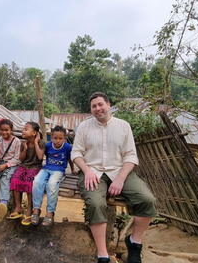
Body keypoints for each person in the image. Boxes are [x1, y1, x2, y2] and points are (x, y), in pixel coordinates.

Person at [71, 92, 157, 263]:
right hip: (93, 172)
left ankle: (134, 243)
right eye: (94, 106)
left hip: (120, 171)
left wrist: (120, 178)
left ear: (108, 105)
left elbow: (131, 156)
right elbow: (76, 153)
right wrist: (87, 171)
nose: (97, 108)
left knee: (147, 200)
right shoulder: (84, 127)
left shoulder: (123, 126)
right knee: (95, 203)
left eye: (100, 104)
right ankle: (103, 255)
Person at [31, 125, 77, 226]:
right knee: (37, 181)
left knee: (51, 184)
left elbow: (70, 159)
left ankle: (50, 212)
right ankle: (36, 209)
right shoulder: (48, 146)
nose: (57, 141)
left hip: (59, 170)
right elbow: (43, 156)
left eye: (60, 138)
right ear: (52, 138)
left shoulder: (67, 147)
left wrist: (73, 169)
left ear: (65, 138)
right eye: (55, 138)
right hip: (47, 168)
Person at [9, 122, 45, 225]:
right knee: (15, 179)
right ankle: (18, 206)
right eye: (23, 129)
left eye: (26, 129)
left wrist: (37, 142)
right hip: (24, 166)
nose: (23, 131)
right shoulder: (23, 143)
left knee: (29, 182)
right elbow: (21, 159)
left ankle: (30, 208)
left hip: (36, 167)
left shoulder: (41, 143)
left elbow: (40, 157)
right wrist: (24, 149)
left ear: (34, 133)